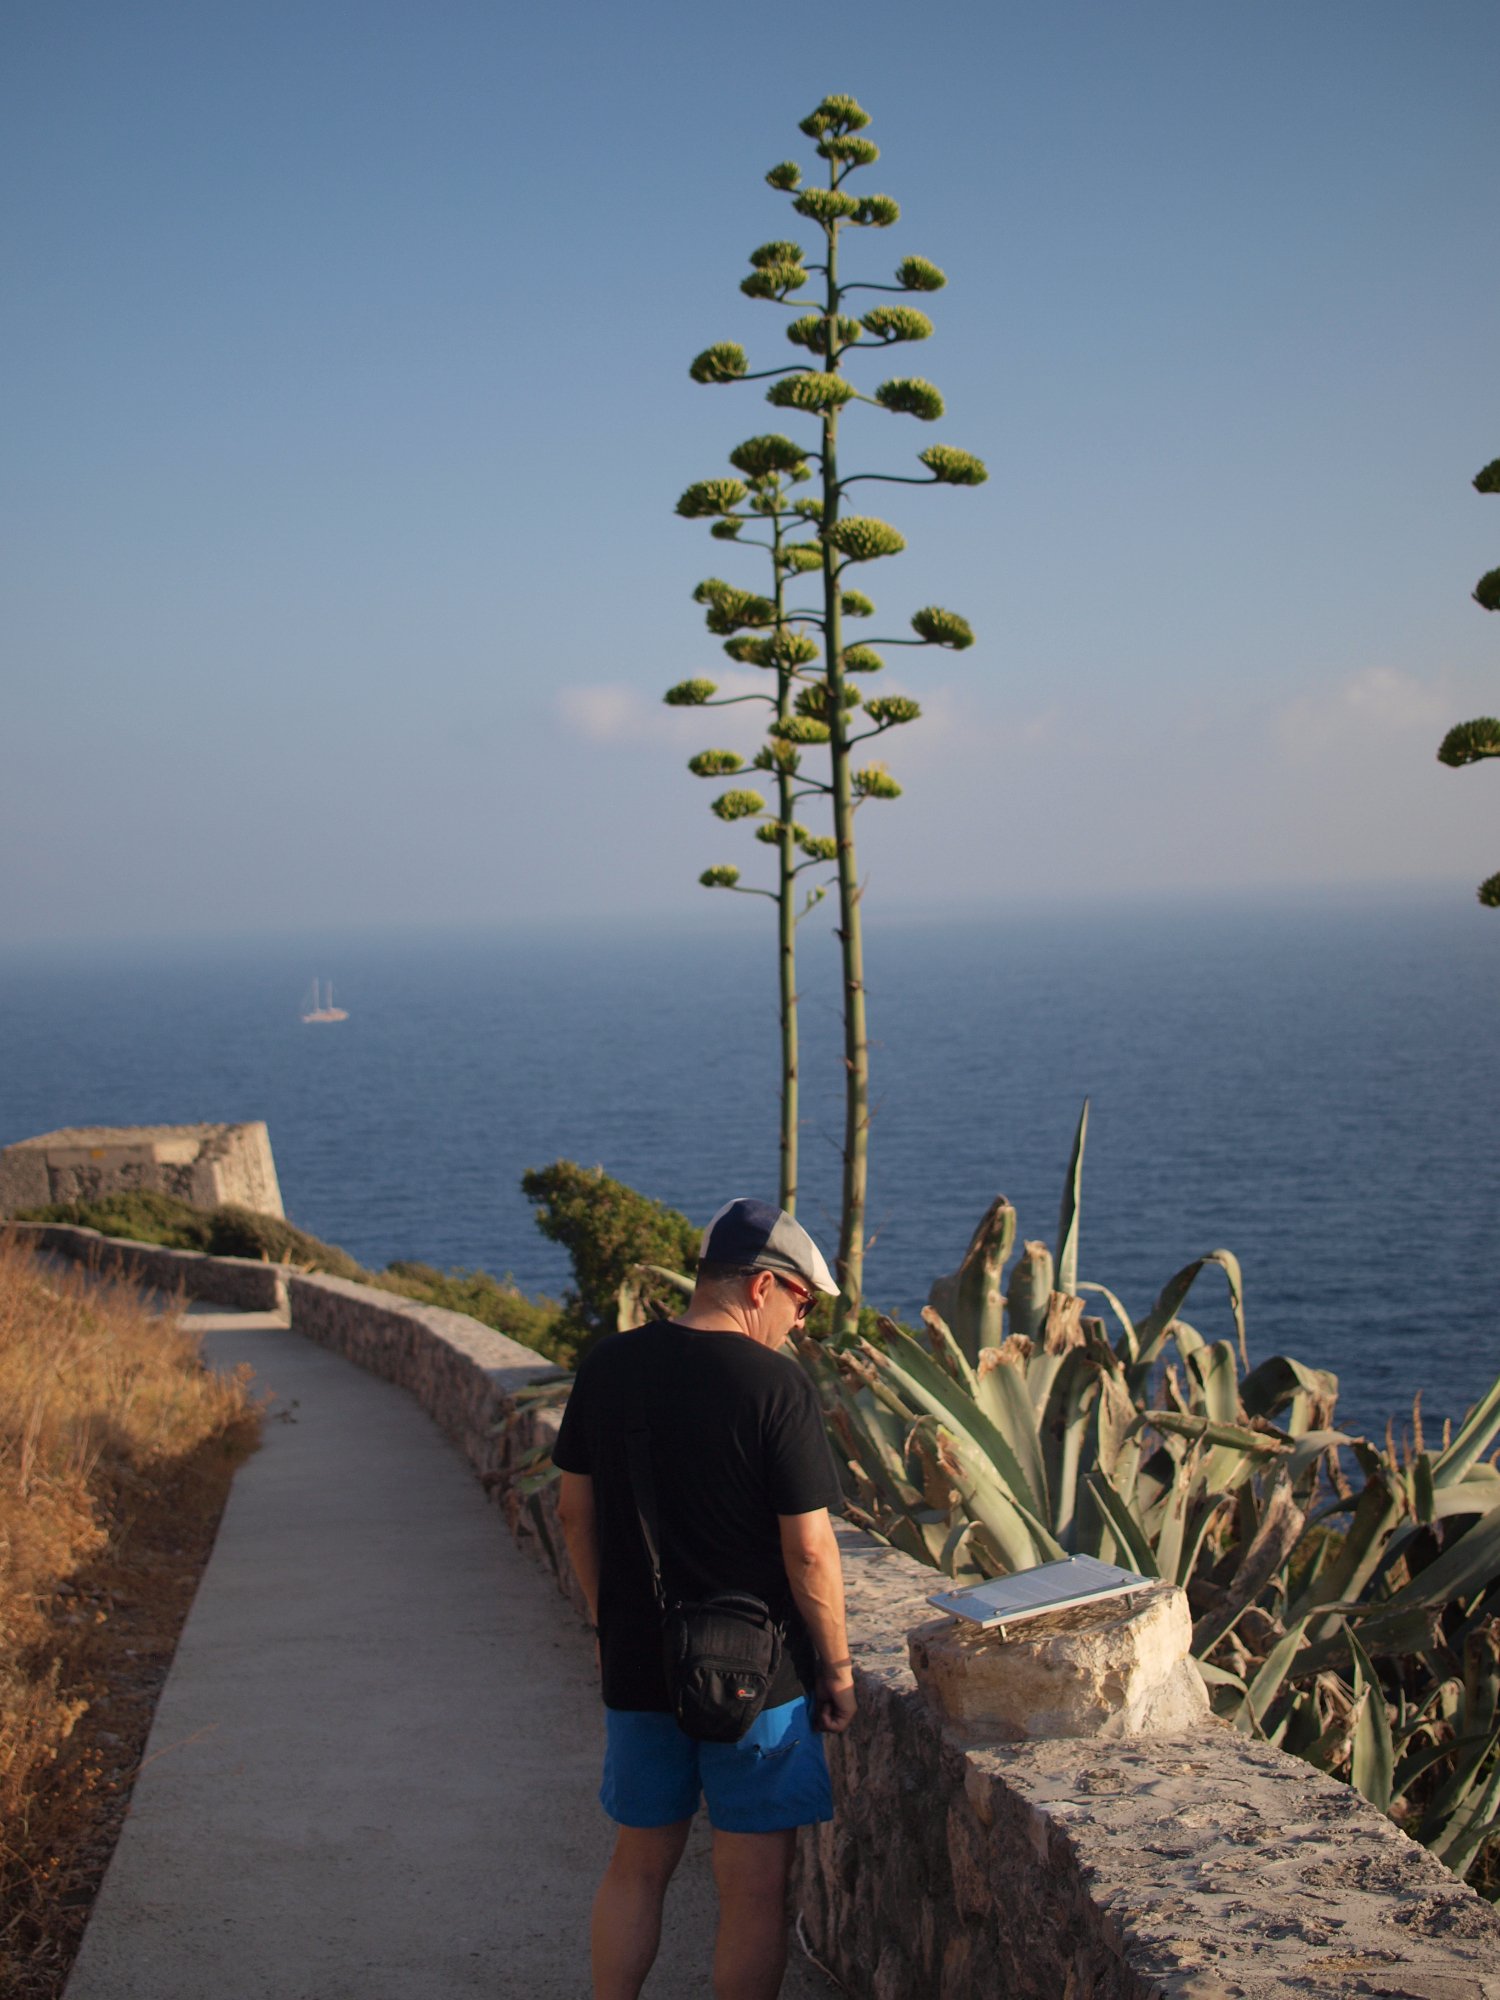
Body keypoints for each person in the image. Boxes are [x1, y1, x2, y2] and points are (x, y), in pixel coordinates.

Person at [552, 1197, 856, 2000]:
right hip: (758, 1676)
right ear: (763, 1287)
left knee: (638, 1864)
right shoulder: (776, 1387)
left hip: (640, 1660)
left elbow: (573, 1513)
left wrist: (603, 1623)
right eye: (803, 1303)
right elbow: (812, 1549)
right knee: (753, 1889)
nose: (802, 1322)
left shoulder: (607, 1366)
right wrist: (839, 1667)